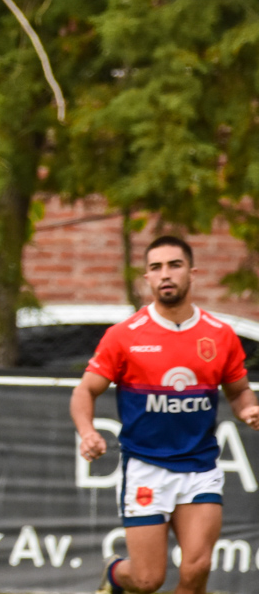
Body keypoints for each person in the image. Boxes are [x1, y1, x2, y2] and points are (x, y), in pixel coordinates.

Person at [73, 235, 259, 594]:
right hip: (146, 466)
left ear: (192, 272)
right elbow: (85, 390)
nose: (165, 274)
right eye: (156, 267)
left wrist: (248, 409)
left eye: (174, 265)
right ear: (147, 277)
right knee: (147, 580)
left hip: (200, 466)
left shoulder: (219, 335)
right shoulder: (124, 336)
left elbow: (238, 391)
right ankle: (114, 573)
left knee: (197, 568)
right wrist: (87, 430)